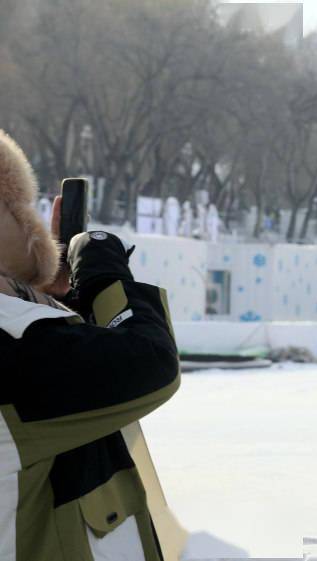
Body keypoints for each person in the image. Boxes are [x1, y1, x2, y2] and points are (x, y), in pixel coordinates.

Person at [0, 130, 180, 561]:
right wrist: (103, 273)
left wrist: (49, 301)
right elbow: (151, 361)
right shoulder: (18, 344)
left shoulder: (28, 341)